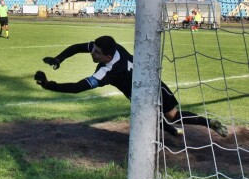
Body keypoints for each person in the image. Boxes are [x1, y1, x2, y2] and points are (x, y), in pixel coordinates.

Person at [34, 35, 228, 137]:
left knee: (153, 116)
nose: (92, 53)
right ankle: (207, 123)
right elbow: (78, 47)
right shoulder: (113, 47)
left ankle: (172, 129)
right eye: (93, 49)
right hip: (153, 82)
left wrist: (49, 85)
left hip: (139, 94)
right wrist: (59, 59)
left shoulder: (107, 72)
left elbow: (77, 88)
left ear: (107, 57)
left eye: (96, 53)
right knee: (173, 115)